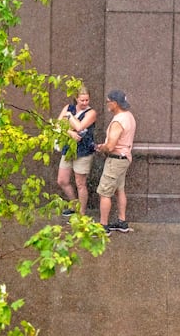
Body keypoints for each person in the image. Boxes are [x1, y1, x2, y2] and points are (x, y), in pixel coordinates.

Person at [95, 90, 136, 237]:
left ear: (115, 103)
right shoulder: (129, 116)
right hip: (125, 158)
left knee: (104, 192)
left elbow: (111, 146)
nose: (107, 104)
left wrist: (101, 147)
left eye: (108, 101)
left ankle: (103, 226)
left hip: (115, 160)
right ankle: (122, 222)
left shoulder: (118, 121)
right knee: (120, 190)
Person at [56, 86, 97, 216]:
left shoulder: (91, 113)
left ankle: (82, 214)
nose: (85, 103)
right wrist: (69, 133)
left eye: (87, 100)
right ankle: (74, 205)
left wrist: (69, 117)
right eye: (82, 100)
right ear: (76, 99)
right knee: (62, 180)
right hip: (68, 149)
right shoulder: (69, 107)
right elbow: (57, 125)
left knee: (80, 183)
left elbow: (79, 127)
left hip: (83, 150)